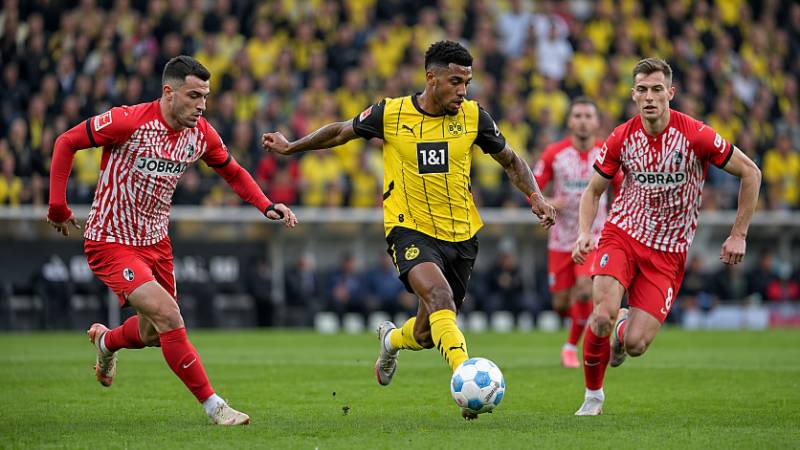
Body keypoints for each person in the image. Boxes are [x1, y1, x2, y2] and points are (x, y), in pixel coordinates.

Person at [263, 40, 556, 419]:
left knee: (426, 332)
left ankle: (390, 340)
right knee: (440, 297)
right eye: (455, 81)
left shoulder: (473, 117)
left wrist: (535, 196)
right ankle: (465, 378)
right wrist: (290, 148)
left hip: (462, 234)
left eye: (467, 82)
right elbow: (340, 132)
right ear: (430, 78)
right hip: (409, 230)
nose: (462, 90)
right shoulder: (391, 113)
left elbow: (512, 160)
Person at [46, 55, 297, 425]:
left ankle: (106, 343)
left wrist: (266, 204)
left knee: (152, 332)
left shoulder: (201, 133)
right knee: (169, 315)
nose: (202, 105)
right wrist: (57, 205)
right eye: (194, 96)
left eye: (206, 97)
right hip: (111, 239)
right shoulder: (128, 121)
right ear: (169, 92)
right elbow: (66, 142)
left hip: (155, 242)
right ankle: (215, 406)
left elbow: (232, 170)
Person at [571, 58, 761, 415]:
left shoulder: (695, 135)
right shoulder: (621, 137)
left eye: (657, 89)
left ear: (670, 94)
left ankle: (624, 332)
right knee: (600, 315)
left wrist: (739, 234)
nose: (650, 97)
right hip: (622, 234)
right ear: (632, 95)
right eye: (642, 89)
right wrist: (584, 232)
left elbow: (751, 173)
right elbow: (592, 191)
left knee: (637, 344)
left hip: (669, 252)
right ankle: (592, 398)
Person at [533, 97, 621, 368]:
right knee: (561, 303)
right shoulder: (554, 154)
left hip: (594, 236)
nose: (583, 121)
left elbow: (622, 190)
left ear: (597, 122)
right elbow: (533, 188)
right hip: (560, 239)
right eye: (578, 116)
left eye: (588, 116)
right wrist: (546, 204)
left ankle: (571, 346)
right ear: (570, 121)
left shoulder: (608, 153)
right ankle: (594, 322)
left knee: (584, 291)